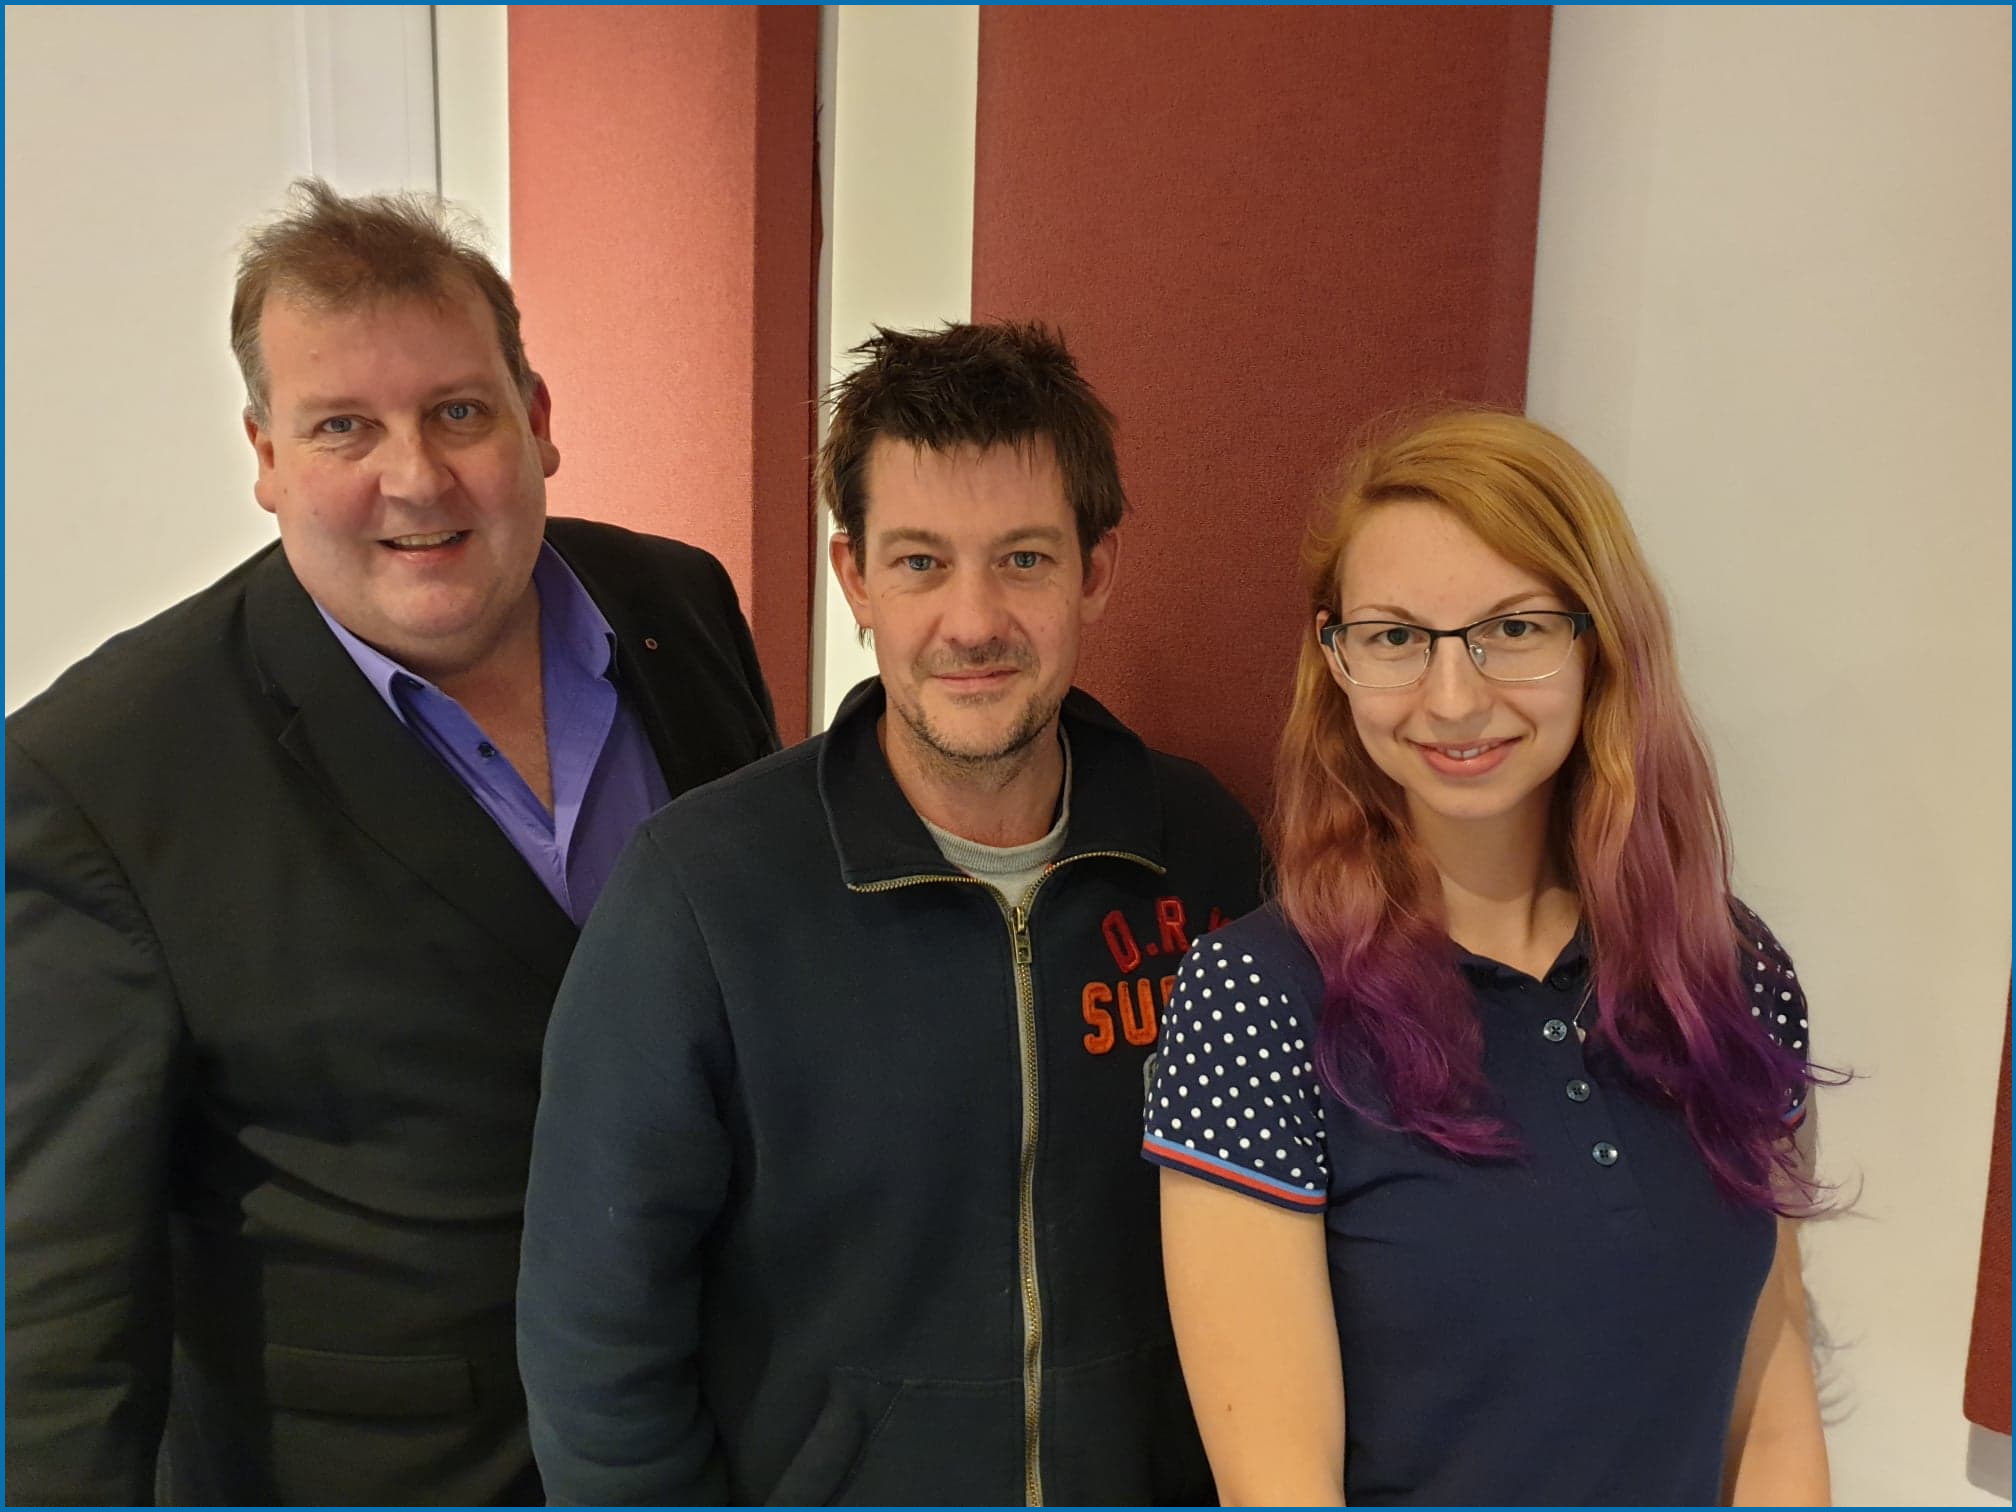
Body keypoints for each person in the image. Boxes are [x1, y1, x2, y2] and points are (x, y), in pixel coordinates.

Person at [4, 180, 778, 1505]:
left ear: (538, 420)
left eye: (459, 412)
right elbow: (57, 1316)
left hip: (720, 1438)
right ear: (264, 455)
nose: (415, 477)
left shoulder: (680, 606)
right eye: (343, 427)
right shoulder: (100, 777)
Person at [518, 321, 1265, 1505]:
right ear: (855, 577)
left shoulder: (1203, 853)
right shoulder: (702, 894)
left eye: (1024, 559)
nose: (973, 622)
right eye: (920, 563)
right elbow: (596, 1338)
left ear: (1096, 569)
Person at [1145, 409, 1834, 1506]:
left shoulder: (1730, 972)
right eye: (1395, 637)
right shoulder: (1257, 1000)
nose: (1454, 698)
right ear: (1336, 659)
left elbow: (1771, 1400)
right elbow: (1280, 1484)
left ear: (1600, 642)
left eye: (1513, 629)